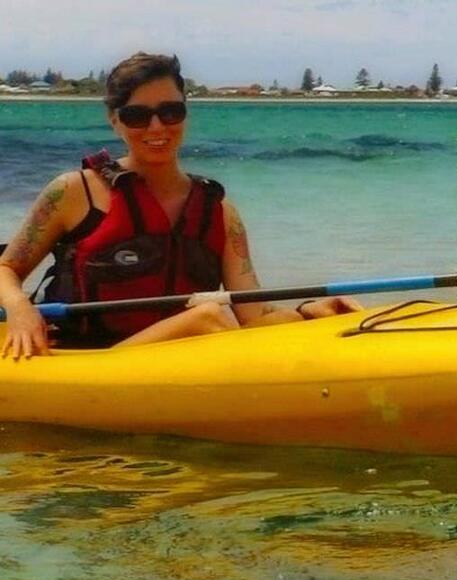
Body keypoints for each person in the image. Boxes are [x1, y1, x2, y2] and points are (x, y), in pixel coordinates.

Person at [0, 52, 361, 359]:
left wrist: (307, 314)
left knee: (210, 318)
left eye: (170, 111)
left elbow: (253, 317)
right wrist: (19, 308)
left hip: (174, 364)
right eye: (137, 116)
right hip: (87, 362)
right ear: (115, 121)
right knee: (207, 317)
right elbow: (6, 268)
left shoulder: (219, 213)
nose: (157, 127)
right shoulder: (74, 192)